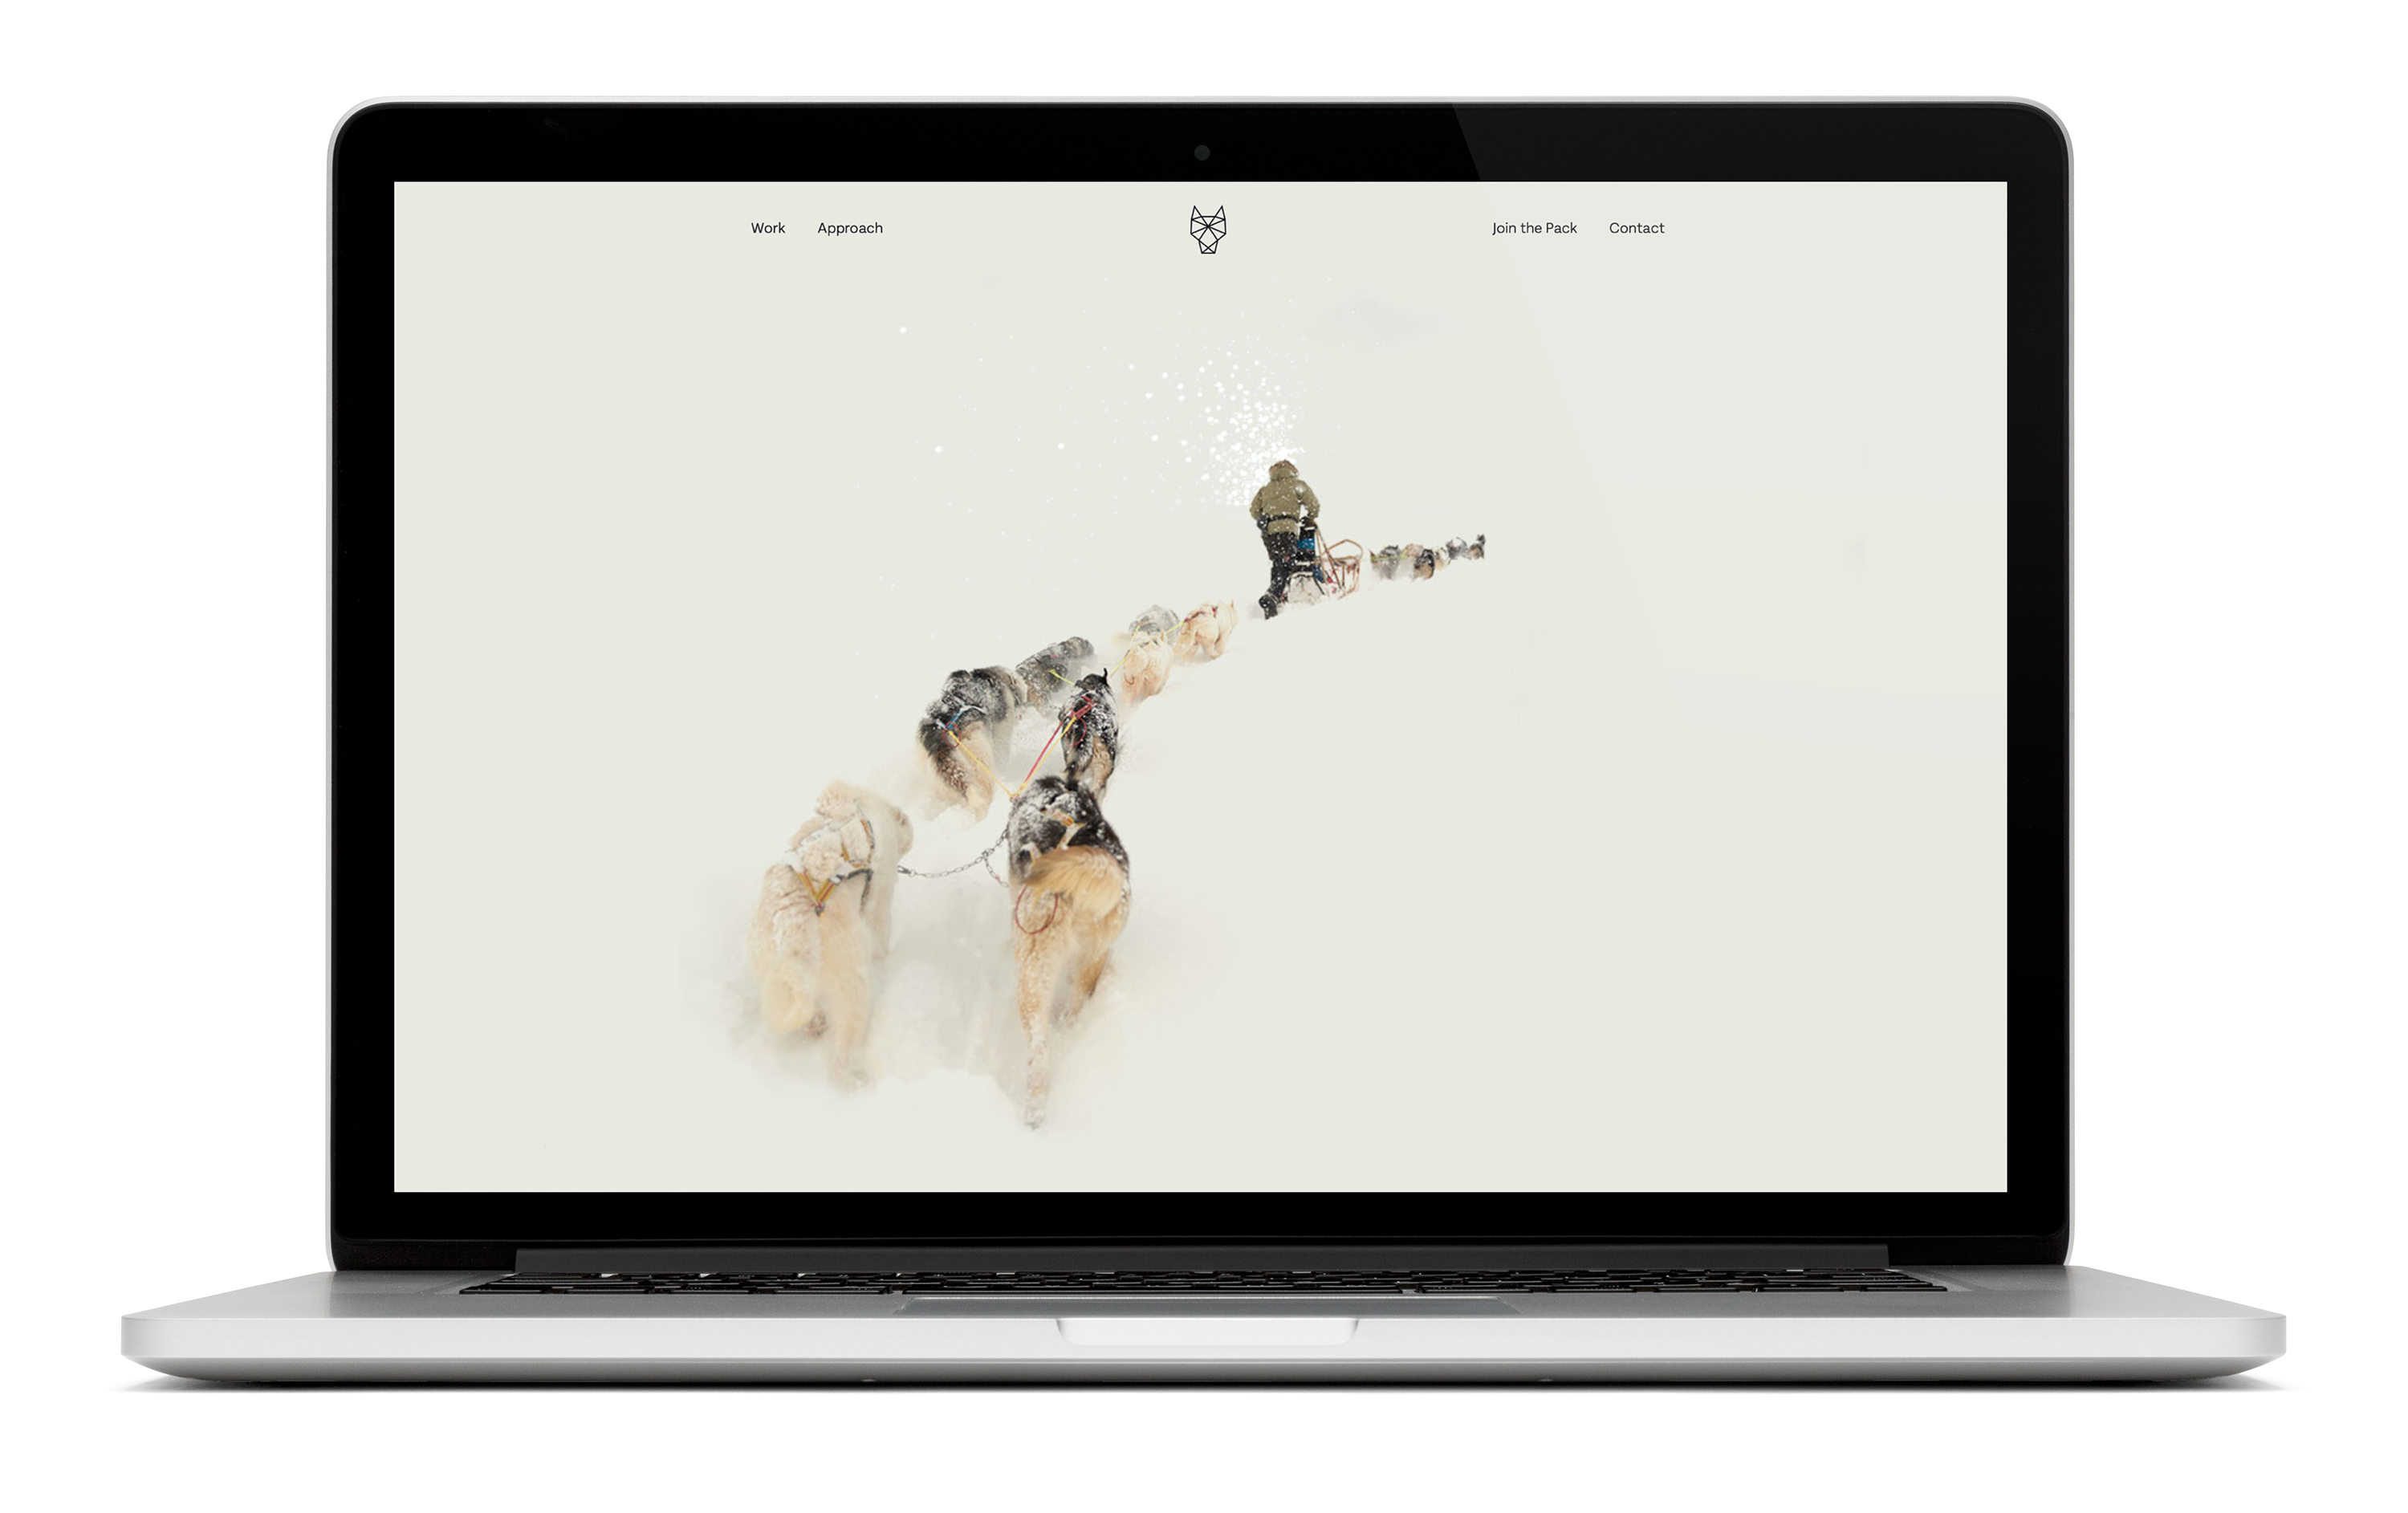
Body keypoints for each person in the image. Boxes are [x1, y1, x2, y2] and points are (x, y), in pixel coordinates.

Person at [1248, 459, 1320, 616]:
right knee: (1287, 564)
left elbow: (1254, 511)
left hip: (1269, 533)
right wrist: (1310, 517)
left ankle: (1275, 603)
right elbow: (1314, 506)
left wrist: (1264, 517)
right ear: (1292, 470)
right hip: (1287, 530)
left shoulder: (1266, 489)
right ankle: (1272, 595)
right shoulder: (1297, 485)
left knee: (1278, 564)